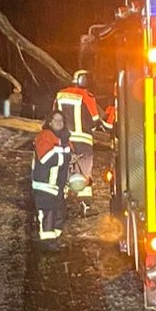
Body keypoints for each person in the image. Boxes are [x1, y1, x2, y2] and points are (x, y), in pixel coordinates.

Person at [55, 68, 107, 210]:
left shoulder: (60, 95)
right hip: (83, 140)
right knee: (84, 172)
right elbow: (95, 119)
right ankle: (86, 206)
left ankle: (60, 201)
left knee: (63, 168)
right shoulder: (86, 96)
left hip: (63, 139)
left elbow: (53, 116)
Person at [31, 108, 71, 247]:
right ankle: (47, 243)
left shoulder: (64, 137)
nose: (59, 123)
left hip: (57, 185)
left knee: (59, 213)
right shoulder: (44, 136)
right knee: (48, 213)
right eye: (56, 120)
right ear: (50, 122)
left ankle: (55, 240)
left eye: (61, 120)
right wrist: (65, 154)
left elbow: (68, 155)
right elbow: (46, 158)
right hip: (45, 184)